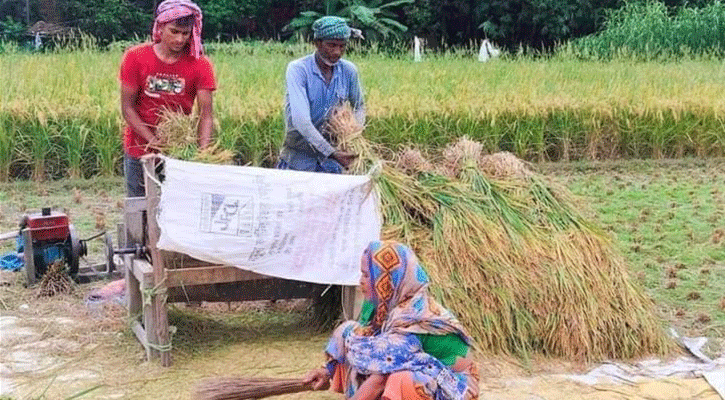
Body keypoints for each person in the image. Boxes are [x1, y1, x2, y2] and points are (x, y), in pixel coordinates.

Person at [303, 241, 480, 400]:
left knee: (401, 380)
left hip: (455, 388)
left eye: (366, 275)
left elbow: (379, 380)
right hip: (416, 376)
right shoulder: (378, 307)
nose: (360, 282)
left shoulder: (414, 317)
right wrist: (327, 371)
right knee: (352, 334)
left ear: (386, 280)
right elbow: (365, 351)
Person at [119, 0, 216, 197]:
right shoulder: (135, 58)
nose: (180, 39)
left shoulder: (200, 64)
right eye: (174, 31)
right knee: (139, 209)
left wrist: (202, 154)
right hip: (139, 150)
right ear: (160, 28)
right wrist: (153, 141)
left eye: (186, 33)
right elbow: (127, 108)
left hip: (178, 155)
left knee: (175, 210)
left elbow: (206, 115)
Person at [278, 16, 365, 174]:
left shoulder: (349, 71)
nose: (337, 52)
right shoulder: (298, 70)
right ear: (317, 43)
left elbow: (359, 106)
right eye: (331, 45)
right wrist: (331, 152)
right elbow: (301, 121)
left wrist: (353, 134)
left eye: (342, 46)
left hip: (332, 166)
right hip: (298, 161)